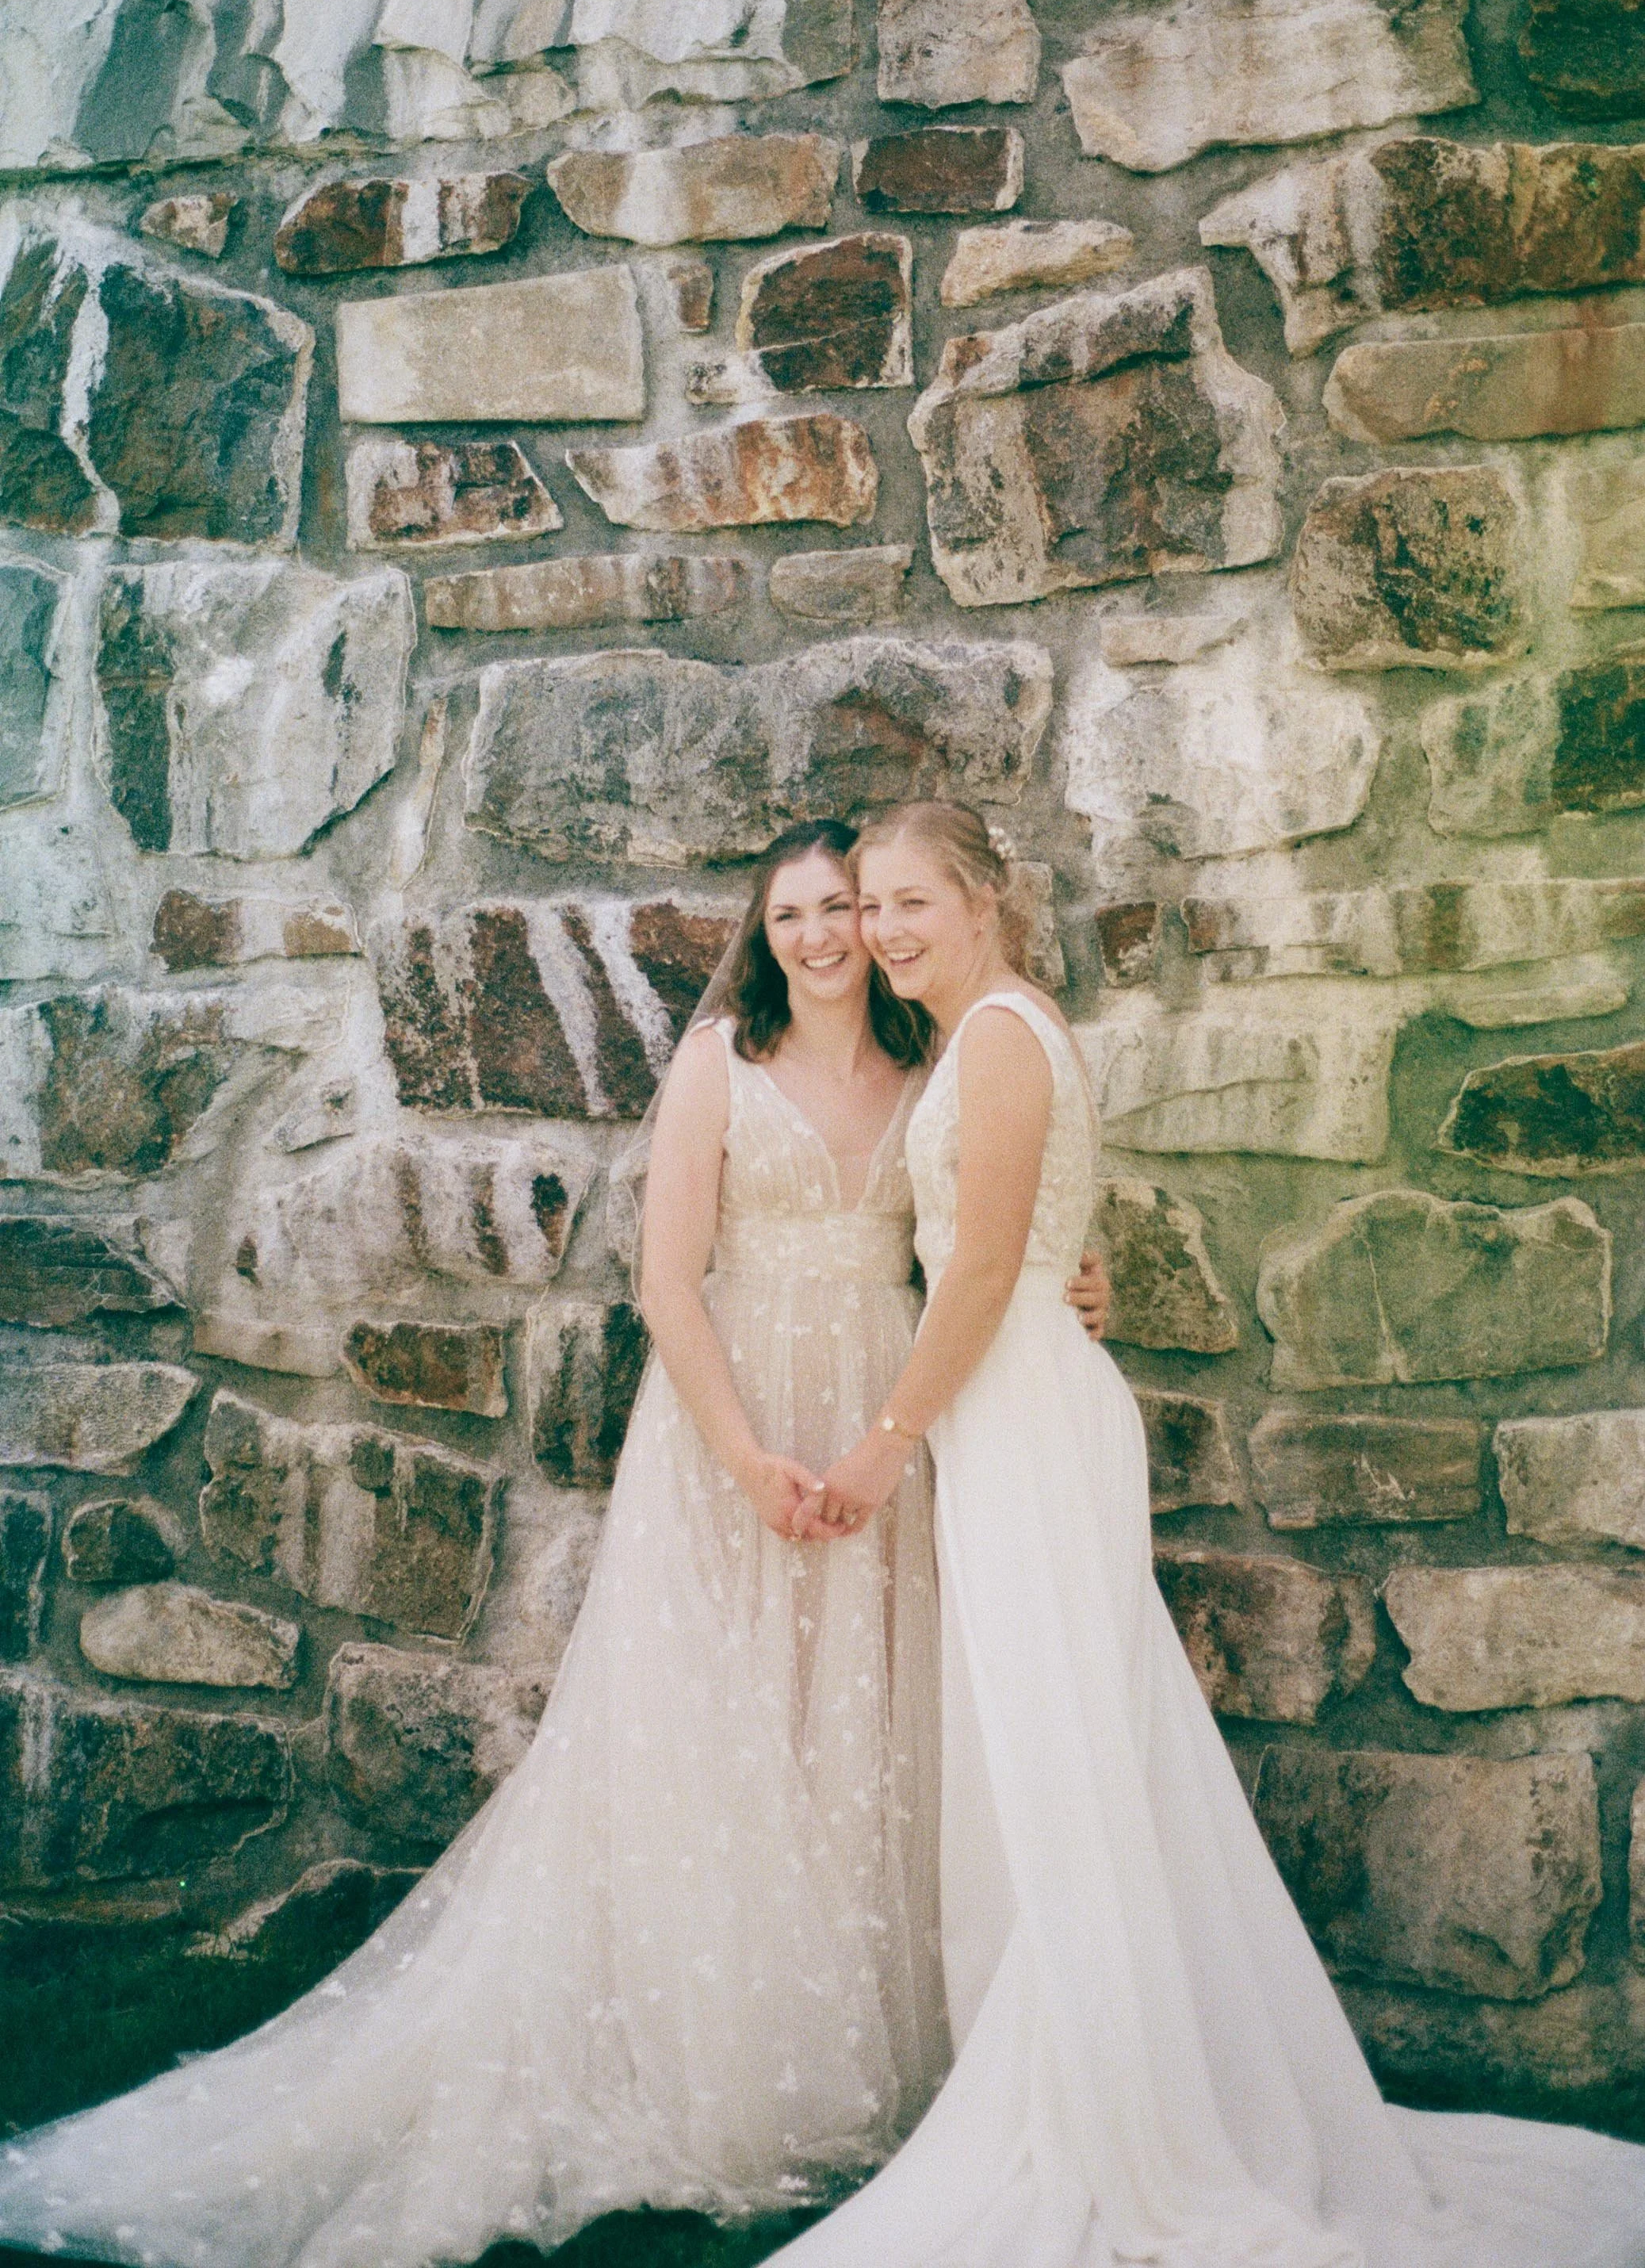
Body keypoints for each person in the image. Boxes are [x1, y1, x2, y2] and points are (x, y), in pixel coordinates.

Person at [0, 816, 1110, 2268]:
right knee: (722, 1724)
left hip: (885, 1411)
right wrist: (741, 1455)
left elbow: (978, 1225)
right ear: (763, 935)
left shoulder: (935, 1063)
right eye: (794, 916)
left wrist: (1065, 1280)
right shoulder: (722, 1062)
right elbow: (665, 1278)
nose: (828, 936)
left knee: (865, 1717)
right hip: (737, 1415)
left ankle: (869, 2036)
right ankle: (713, 2042)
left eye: (848, 907)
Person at [774, 799, 1645, 2268]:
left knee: (1064, 1766)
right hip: (1030, 1402)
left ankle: (1114, 2118)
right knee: (1079, 1761)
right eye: (868, 905)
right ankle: (1115, 2080)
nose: (884, 929)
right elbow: (1034, 1233)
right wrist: (1065, 1279)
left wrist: (878, 1444)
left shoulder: (990, 1034)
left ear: (984, 895)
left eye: (912, 898)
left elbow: (981, 1267)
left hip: (1021, 1415)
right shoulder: (1005, 1023)